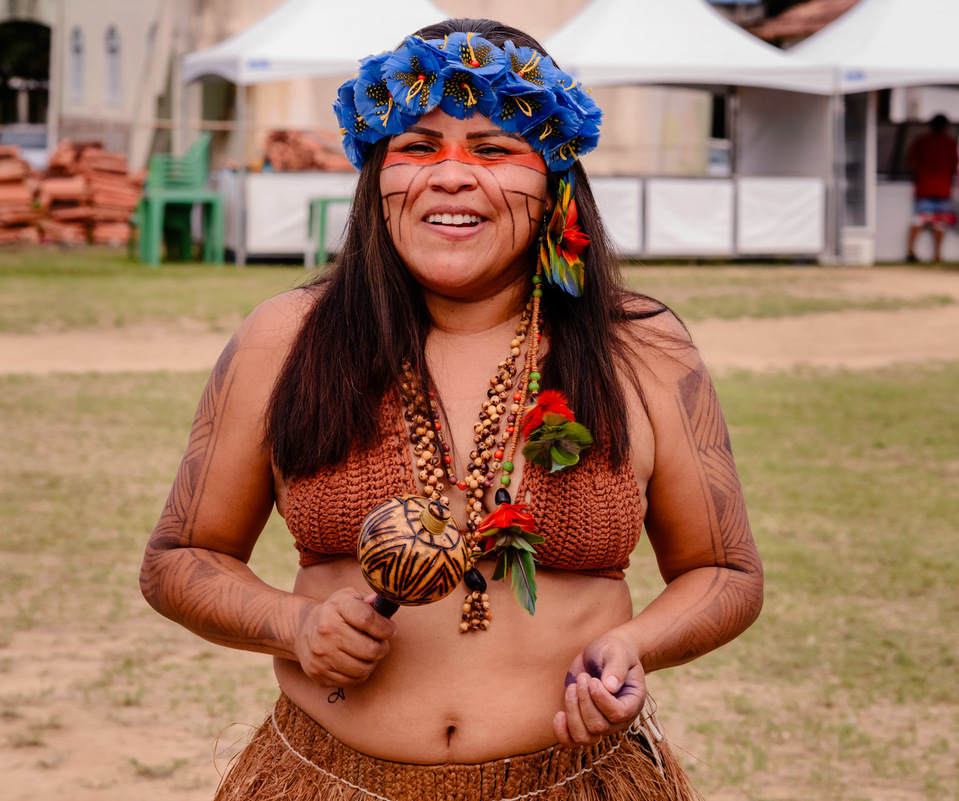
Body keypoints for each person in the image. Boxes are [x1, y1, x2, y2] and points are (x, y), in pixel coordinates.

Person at [139, 17, 763, 801]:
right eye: (419, 146)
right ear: (378, 174)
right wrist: (293, 624)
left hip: (575, 782)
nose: (453, 176)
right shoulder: (286, 338)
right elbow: (179, 558)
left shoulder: (641, 347)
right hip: (327, 778)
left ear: (554, 180)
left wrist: (633, 643)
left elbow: (725, 569)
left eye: (495, 150)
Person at [905, 113, 959, 264]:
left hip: (924, 186)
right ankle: (937, 255)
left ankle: (910, 250)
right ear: (946, 127)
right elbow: (955, 166)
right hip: (943, 188)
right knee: (940, 222)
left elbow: (911, 161)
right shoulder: (950, 143)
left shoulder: (922, 141)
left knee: (918, 220)